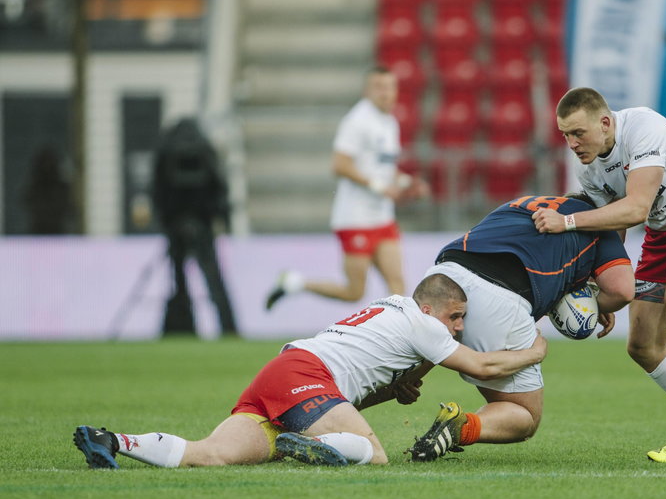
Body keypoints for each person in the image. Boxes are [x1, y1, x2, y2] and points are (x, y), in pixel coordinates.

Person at [73, 273, 547, 469]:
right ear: (430, 308)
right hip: (306, 375)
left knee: (211, 454)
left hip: (283, 371)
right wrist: (534, 351)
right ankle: (307, 445)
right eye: (455, 316)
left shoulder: (392, 308)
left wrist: (392, 387)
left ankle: (113, 441)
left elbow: (348, 393)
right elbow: (483, 365)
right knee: (374, 453)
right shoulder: (423, 323)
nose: (459, 327)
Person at [531, 87, 666, 463]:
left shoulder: (644, 128)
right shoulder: (590, 168)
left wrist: (566, 222)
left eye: (577, 133)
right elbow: (614, 229)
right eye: (565, 134)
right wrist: (606, 282)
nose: (571, 143)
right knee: (643, 346)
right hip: (662, 237)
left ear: (604, 122)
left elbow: (635, 208)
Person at [407, 193, 636, 462]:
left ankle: (347, 416)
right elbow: (622, 291)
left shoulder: (522, 202)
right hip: (500, 299)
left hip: (443, 277)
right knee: (524, 415)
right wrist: (599, 303)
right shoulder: (601, 224)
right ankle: (458, 426)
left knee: (399, 375)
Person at [265, 65, 429, 309]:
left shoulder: (389, 122)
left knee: (398, 284)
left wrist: (407, 182)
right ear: (367, 91)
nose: (385, 93)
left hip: (382, 216)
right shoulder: (357, 121)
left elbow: (383, 167)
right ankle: (296, 282)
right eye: (379, 87)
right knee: (354, 292)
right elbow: (339, 165)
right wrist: (378, 188)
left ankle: (395, 344)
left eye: (390, 87)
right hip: (355, 218)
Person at [152, 117, 237, 336]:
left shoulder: (166, 150)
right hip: (203, 223)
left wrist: (166, 220)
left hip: (175, 223)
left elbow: (157, 190)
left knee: (178, 280)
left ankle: (182, 327)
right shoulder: (205, 149)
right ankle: (228, 327)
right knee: (214, 279)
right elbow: (219, 186)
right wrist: (222, 219)